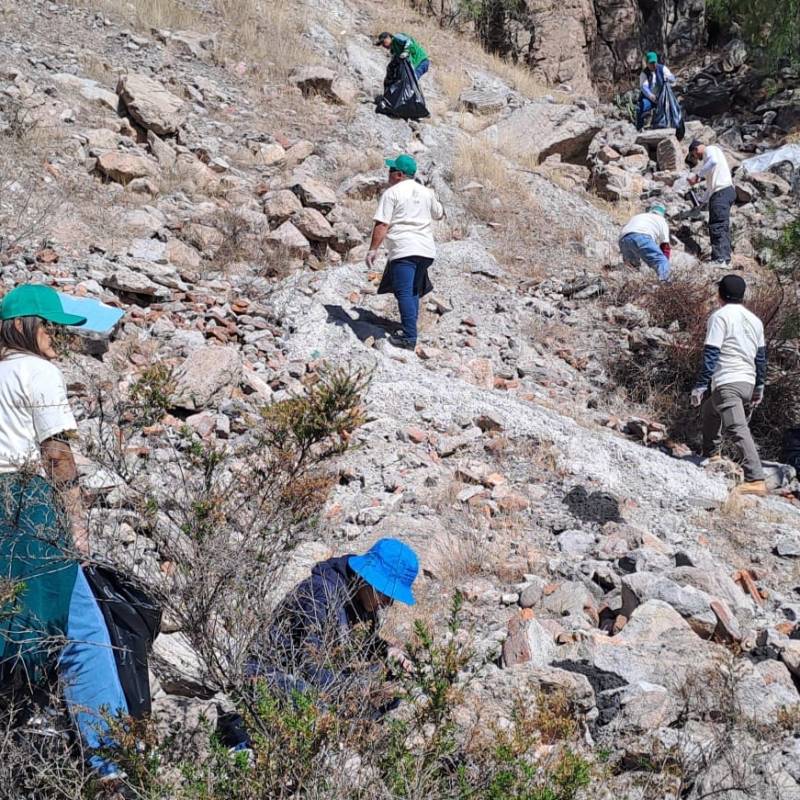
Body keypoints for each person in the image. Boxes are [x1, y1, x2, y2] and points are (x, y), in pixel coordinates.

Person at [0, 284, 129, 782]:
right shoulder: (37, 372)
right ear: (25, 326)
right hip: (27, 506)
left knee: (18, 622)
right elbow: (56, 456)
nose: (57, 336)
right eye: (50, 326)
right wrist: (76, 526)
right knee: (82, 635)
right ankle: (111, 765)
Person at [247, 538, 419, 709]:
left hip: (307, 673)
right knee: (326, 708)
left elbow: (360, 644)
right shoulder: (321, 594)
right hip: (266, 676)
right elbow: (310, 665)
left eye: (392, 597)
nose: (388, 603)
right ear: (368, 578)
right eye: (385, 594)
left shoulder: (362, 599)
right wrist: (354, 689)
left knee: (386, 694)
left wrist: (388, 651)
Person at [691, 275, 767, 496]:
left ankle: (756, 479)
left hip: (728, 381)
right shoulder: (755, 320)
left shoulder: (720, 317)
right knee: (711, 410)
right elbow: (761, 358)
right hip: (747, 381)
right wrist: (759, 387)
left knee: (736, 427)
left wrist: (700, 385)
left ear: (720, 294)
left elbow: (711, 353)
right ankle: (712, 455)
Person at [366, 154, 444, 351]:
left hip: (404, 249)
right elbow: (439, 213)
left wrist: (373, 249)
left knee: (404, 293)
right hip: (426, 250)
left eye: (391, 170)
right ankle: (409, 330)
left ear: (399, 174)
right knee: (413, 291)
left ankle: (409, 337)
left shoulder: (392, 193)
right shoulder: (426, 192)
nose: (388, 173)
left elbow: (382, 224)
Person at [687, 140, 736, 268]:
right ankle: (725, 259)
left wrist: (697, 176)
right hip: (723, 192)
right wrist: (701, 201)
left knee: (717, 225)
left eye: (693, 155)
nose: (695, 157)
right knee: (722, 225)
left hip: (721, 192)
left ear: (696, 149)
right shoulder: (709, 164)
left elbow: (713, 161)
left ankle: (720, 260)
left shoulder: (710, 150)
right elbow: (710, 188)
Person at [618, 203, 672, 281]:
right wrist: (665, 262)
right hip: (641, 237)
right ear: (662, 213)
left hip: (623, 239)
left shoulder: (638, 216)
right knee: (661, 261)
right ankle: (665, 284)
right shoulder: (661, 220)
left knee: (632, 268)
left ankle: (626, 285)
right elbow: (665, 246)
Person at [637, 51, 676, 131]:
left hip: (663, 97)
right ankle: (639, 127)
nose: (653, 65)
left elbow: (672, 78)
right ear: (647, 63)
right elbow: (644, 87)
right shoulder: (644, 74)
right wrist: (651, 96)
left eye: (654, 62)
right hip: (650, 99)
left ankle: (671, 124)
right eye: (651, 63)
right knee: (641, 107)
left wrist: (669, 78)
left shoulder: (662, 68)